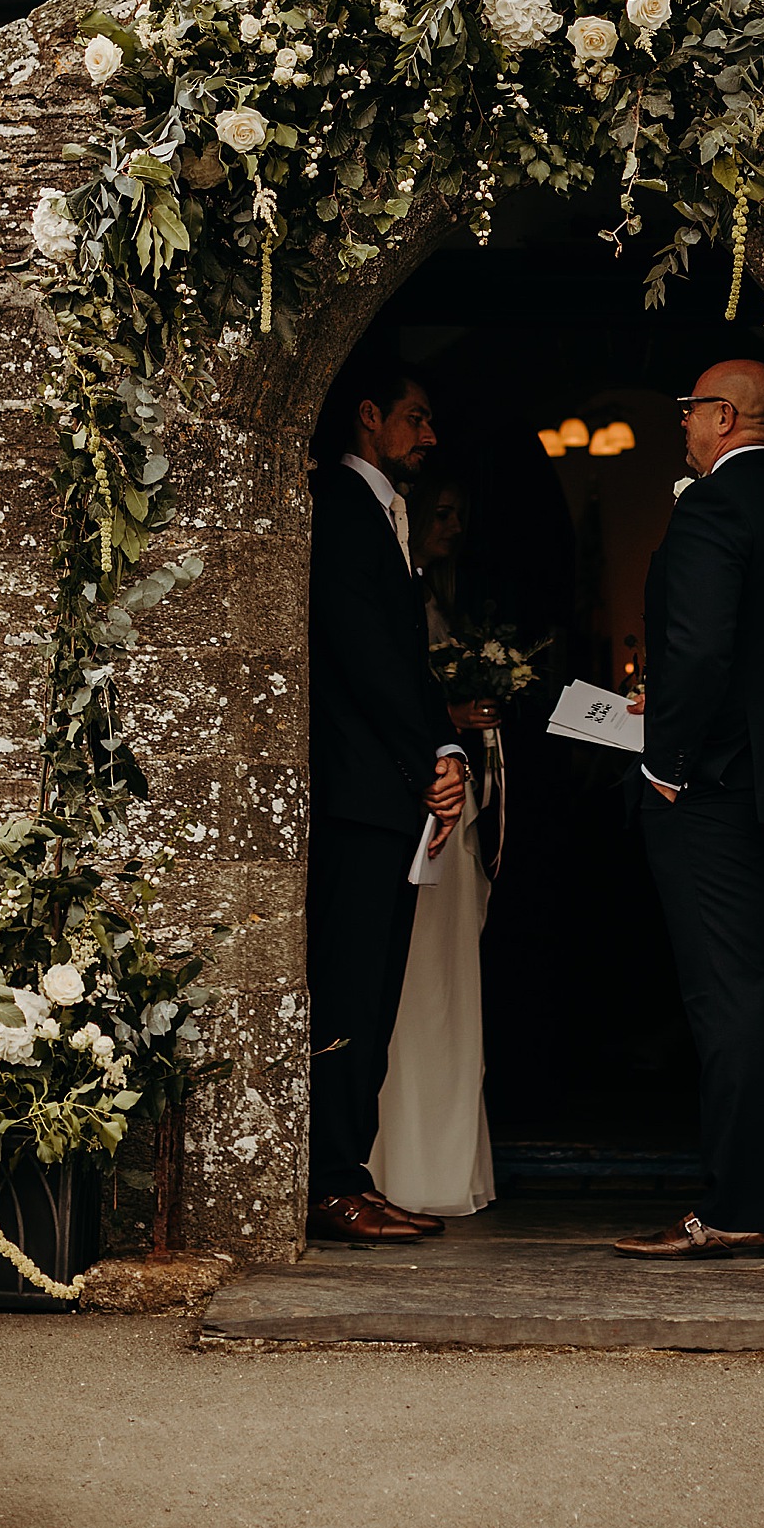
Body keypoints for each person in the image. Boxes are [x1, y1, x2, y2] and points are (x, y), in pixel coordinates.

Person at [616, 358, 764, 1261]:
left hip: (714, 789)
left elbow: (701, 645)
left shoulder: (712, 506)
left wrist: (666, 756)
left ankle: (739, 1204)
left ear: (722, 414)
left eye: (686, 409)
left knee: (728, 994)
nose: (681, 425)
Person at [306, 358, 466, 1245]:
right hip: (360, 793)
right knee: (349, 993)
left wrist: (435, 750)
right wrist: (433, 751)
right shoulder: (343, 505)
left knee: (373, 999)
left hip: (384, 789)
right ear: (369, 416)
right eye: (417, 416)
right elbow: (368, 652)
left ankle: (348, 1170)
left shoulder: (384, 513)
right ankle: (329, 1181)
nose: (429, 435)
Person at [370, 476, 497, 1217]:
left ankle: (440, 1152)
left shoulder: (444, 600)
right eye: (440, 512)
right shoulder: (405, 596)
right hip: (420, 793)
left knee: (447, 976)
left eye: (460, 515)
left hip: (448, 783)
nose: (452, 526)